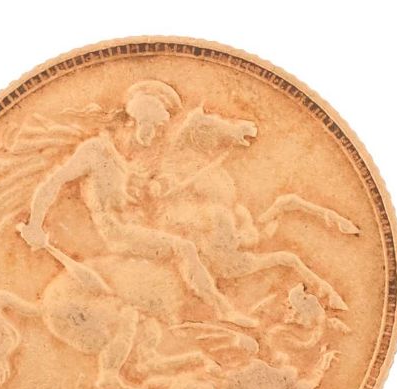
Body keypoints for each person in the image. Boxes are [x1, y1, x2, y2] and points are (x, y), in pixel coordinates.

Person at [17, 81, 256, 328]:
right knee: (183, 247)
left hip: (144, 224)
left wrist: (160, 187)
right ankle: (222, 308)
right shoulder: (96, 151)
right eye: (150, 126)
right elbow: (54, 182)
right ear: (134, 120)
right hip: (118, 231)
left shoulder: (139, 159)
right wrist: (34, 224)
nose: (153, 134)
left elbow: (150, 192)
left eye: (157, 128)